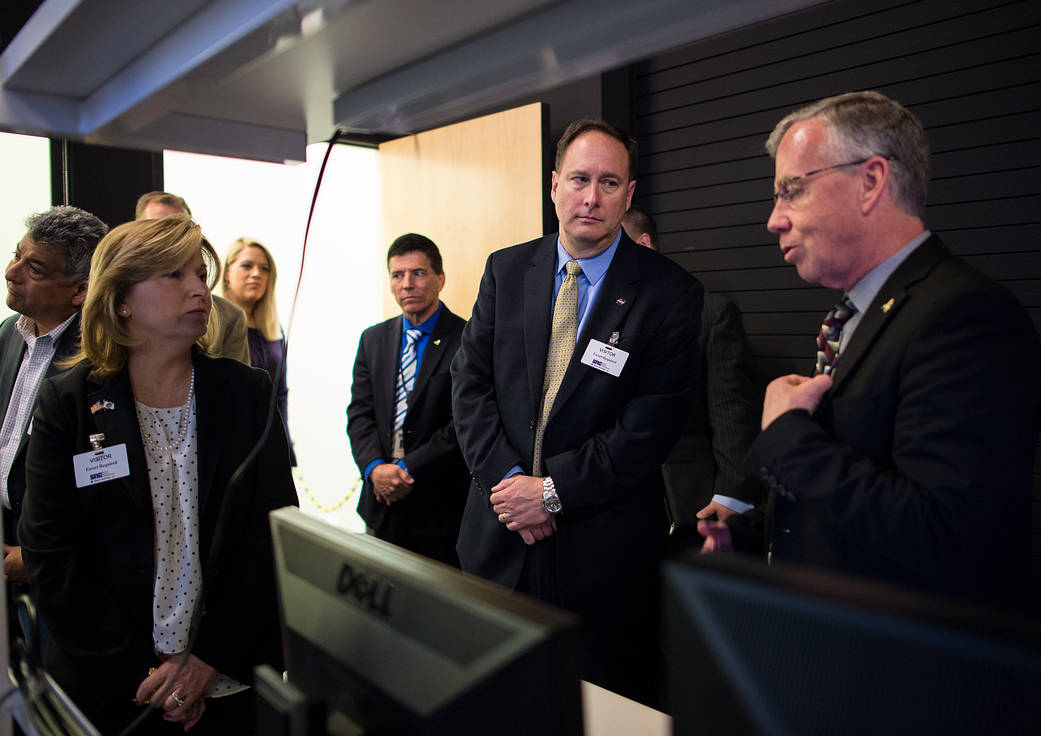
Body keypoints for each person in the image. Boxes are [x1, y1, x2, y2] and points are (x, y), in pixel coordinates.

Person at [699, 90, 1041, 611]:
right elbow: (861, 488)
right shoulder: (862, 314)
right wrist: (758, 532)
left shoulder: (965, 316)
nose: (774, 219)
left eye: (792, 190)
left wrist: (787, 437)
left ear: (871, 181)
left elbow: (941, 534)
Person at [451, 119, 703, 705]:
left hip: (601, 557)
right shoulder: (506, 270)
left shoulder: (671, 294)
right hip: (499, 538)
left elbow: (650, 424)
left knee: (596, 709)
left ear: (630, 195)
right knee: (494, 704)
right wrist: (512, 483)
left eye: (610, 183)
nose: (592, 197)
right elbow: (470, 384)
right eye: (580, 179)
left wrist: (553, 491)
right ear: (554, 185)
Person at [18, 215, 298, 734]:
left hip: (225, 682)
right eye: (175, 275)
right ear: (121, 298)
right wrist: (146, 675)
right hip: (110, 687)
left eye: (200, 274)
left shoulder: (246, 393)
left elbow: (270, 539)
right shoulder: (70, 401)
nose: (200, 290)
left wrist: (205, 662)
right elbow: (52, 552)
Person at [621, 206, 762, 539]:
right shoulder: (602, 316)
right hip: (616, 499)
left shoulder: (709, 312)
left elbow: (732, 412)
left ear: (643, 245)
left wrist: (732, 495)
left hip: (686, 501)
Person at [0, 206, 107, 604]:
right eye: (16, 256)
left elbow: (103, 479)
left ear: (80, 290)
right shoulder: (11, 332)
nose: (11, 272)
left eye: (35, 269)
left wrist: (39, 555)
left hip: (58, 563)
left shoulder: (99, 358)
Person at [346, 234, 469, 566]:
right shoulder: (373, 339)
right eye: (397, 275)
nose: (407, 284)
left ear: (440, 279)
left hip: (438, 509)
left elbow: (462, 424)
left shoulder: (467, 339)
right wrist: (374, 469)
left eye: (418, 273)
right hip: (381, 501)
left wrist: (406, 469)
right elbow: (360, 413)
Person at [136, 191, 251, 366]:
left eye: (202, 276)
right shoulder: (121, 303)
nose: (169, 237)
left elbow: (237, 388)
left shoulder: (228, 318)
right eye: (157, 227)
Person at [221, 238, 295, 465]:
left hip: (270, 445)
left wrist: (283, 442)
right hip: (230, 445)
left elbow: (280, 392)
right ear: (226, 273)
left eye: (264, 269)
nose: (256, 274)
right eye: (247, 265)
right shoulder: (214, 323)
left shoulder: (274, 328)